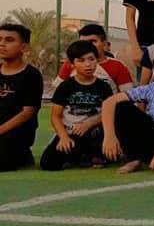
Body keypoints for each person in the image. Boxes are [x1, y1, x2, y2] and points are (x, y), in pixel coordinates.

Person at [40, 40, 114, 171]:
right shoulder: (65, 86)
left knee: (110, 153)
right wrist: (63, 137)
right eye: (81, 60)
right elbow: (55, 116)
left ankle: (90, 154)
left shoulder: (104, 87)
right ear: (72, 64)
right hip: (71, 132)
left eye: (91, 59)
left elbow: (109, 113)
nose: (88, 64)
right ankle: (82, 156)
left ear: (97, 60)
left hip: (95, 134)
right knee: (48, 163)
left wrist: (89, 124)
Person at [0, 24, 44, 171]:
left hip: (15, 132)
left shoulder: (31, 75)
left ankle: (22, 156)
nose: (2, 44)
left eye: (9, 40)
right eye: (0, 39)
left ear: (24, 47)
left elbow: (27, 113)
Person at [53, 23, 133, 93]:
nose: (87, 45)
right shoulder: (70, 63)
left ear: (104, 44)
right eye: (83, 42)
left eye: (92, 41)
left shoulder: (117, 66)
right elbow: (57, 91)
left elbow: (128, 95)